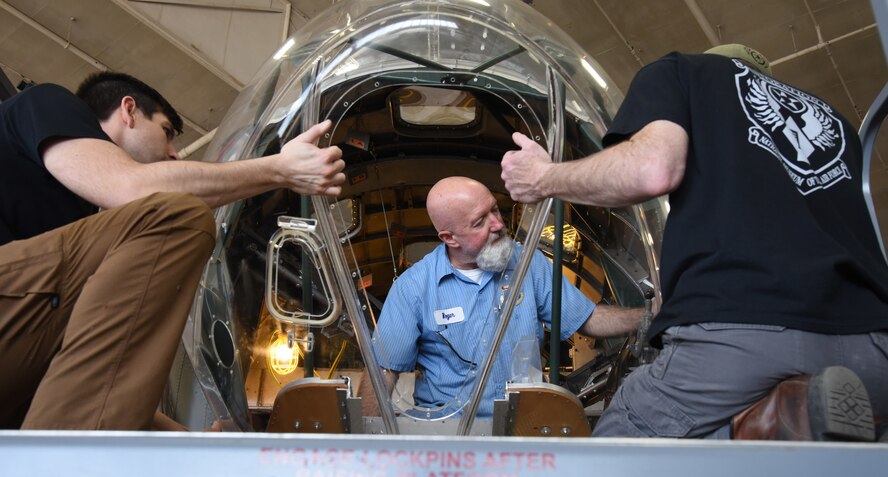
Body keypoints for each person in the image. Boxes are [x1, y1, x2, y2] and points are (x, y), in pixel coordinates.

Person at [500, 44, 888, 440]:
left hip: (743, 331)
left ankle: (775, 423)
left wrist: (542, 178)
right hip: (872, 347)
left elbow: (651, 171)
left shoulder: (684, 72)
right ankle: (779, 419)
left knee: (615, 446)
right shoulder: (836, 121)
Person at [0, 71, 345, 430]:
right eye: (167, 131)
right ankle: (62, 474)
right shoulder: (47, 103)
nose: (173, 152)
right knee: (177, 215)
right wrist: (278, 169)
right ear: (129, 111)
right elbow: (129, 186)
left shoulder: (79, 224)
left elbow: (89, 385)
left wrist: (194, 445)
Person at [359, 176, 642, 418]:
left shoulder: (529, 263)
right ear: (449, 238)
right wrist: (365, 446)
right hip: (451, 432)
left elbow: (588, 319)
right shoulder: (414, 287)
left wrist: (650, 317)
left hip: (522, 425)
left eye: (495, 209)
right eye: (480, 221)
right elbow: (383, 371)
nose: (497, 224)